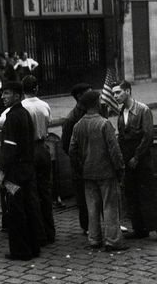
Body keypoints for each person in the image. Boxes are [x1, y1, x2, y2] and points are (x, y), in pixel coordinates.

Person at [69, 90, 127, 251]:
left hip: (88, 172)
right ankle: (113, 240)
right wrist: (120, 168)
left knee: (92, 207)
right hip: (106, 172)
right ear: (96, 103)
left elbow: (72, 151)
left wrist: (80, 167)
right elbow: (114, 150)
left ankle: (94, 239)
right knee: (109, 206)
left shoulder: (78, 125)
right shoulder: (104, 124)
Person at [113, 80, 157, 245]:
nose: (115, 96)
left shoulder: (143, 110)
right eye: (114, 93)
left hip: (141, 159)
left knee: (148, 194)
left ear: (128, 91)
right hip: (127, 159)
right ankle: (139, 229)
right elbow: (122, 137)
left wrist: (136, 157)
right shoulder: (121, 112)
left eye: (118, 92)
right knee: (131, 194)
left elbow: (148, 136)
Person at [0, 81, 43, 260]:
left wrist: (2, 172)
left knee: (16, 210)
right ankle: (34, 247)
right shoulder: (25, 113)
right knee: (29, 207)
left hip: (14, 175)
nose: (3, 97)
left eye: (7, 93)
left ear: (17, 96)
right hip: (27, 170)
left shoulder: (12, 117)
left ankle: (20, 251)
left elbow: (9, 149)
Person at [21, 75, 55, 244]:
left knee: (32, 193)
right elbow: (48, 122)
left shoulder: (20, 107)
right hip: (43, 148)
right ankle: (50, 232)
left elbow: (0, 123)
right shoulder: (44, 105)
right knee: (46, 191)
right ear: (36, 88)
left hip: (28, 150)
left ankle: (38, 233)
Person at [61, 82, 92, 235]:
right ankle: (87, 227)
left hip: (94, 163)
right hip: (80, 165)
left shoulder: (93, 111)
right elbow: (66, 146)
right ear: (80, 97)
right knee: (83, 197)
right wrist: (80, 160)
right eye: (89, 92)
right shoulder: (72, 119)